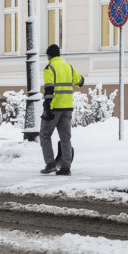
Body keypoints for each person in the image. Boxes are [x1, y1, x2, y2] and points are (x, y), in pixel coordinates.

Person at [40, 44, 85, 176]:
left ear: (49, 56)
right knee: (65, 138)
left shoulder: (49, 68)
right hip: (67, 108)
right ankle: (66, 167)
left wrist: (47, 108)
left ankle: (50, 164)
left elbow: (49, 90)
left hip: (54, 108)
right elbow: (80, 81)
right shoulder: (68, 67)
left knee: (45, 134)